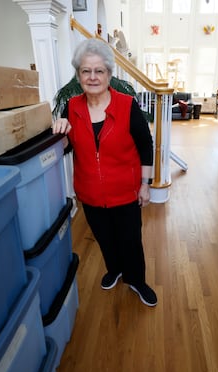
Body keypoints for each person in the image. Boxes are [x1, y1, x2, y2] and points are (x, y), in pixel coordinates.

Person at [52, 38, 157, 307]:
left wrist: (145, 184)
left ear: (109, 74)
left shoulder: (127, 105)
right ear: (78, 75)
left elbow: (146, 145)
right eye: (86, 71)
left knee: (131, 240)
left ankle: (136, 279)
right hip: (89, 191)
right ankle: (115, 269)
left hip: (125, 191)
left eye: (99, 71)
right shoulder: (72, 108)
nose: (93, 77)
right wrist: (59, 134)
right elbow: (66, 147)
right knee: (105, 238)